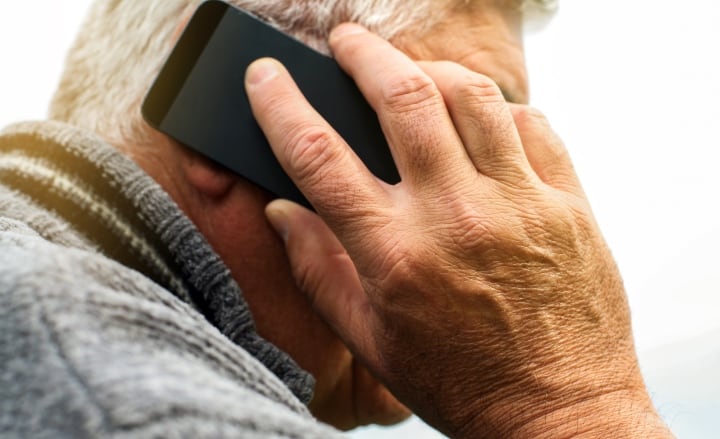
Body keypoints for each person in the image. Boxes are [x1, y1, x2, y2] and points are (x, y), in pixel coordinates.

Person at [0, 0, 672, 438]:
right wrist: (569, 406)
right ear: (235, 100)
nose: (497, 215)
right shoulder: (122, 395)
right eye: (452, 136)